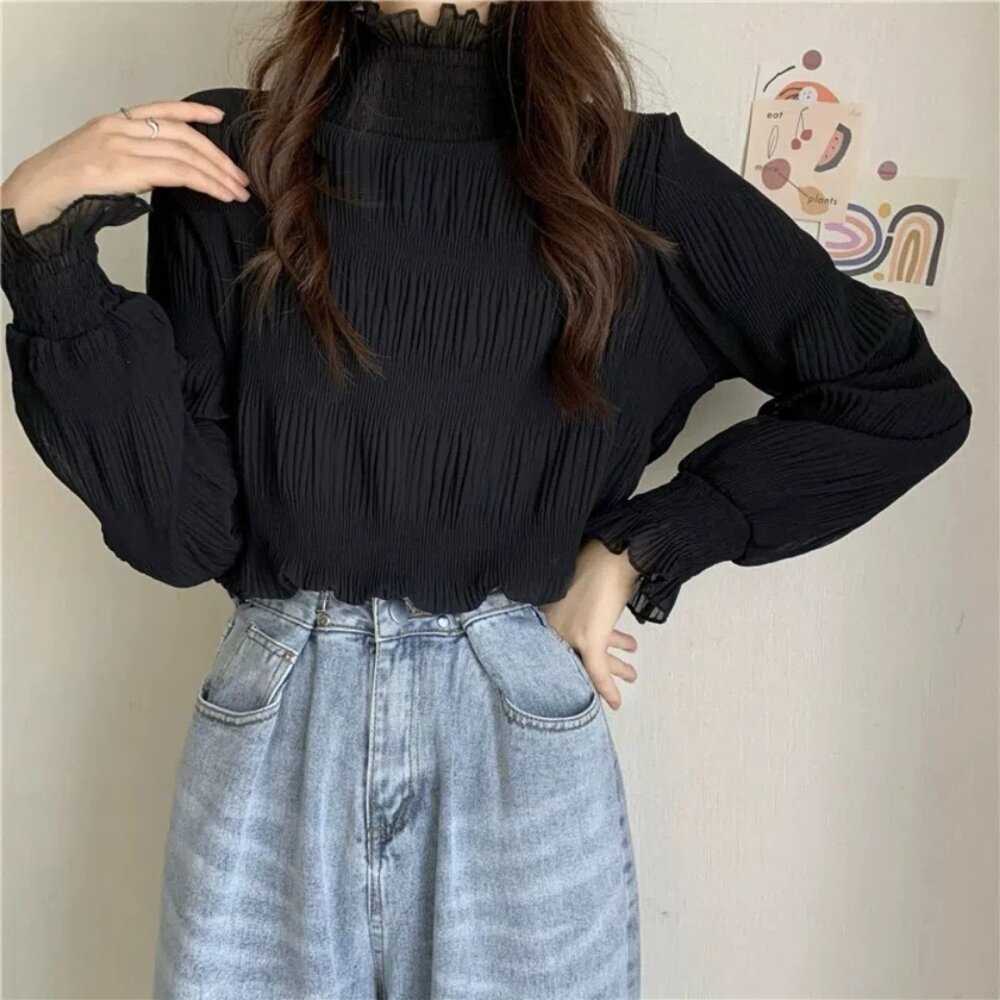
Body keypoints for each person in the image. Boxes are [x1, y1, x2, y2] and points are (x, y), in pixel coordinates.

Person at [0, 1, 972, 997]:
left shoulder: (633, 178)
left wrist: (638, 547)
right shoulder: (233, 159)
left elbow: (896, 395)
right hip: (276, 729)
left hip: (511, 728)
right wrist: (41, 247)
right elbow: (183, 531)